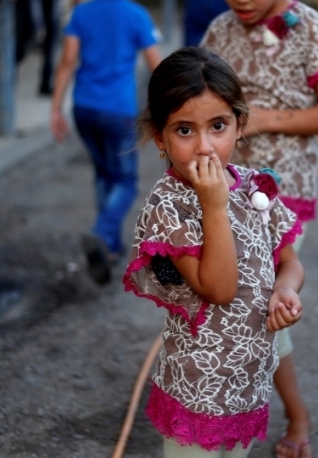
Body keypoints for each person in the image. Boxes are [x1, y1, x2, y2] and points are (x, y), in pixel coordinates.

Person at [201, 0, 318, 458]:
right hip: (224, 191)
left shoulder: (310, 28)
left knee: (258, 305)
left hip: (282, 193)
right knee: (245, 307)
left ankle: (277, 417)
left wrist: (267, 119)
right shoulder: (218, 31)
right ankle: (280, 413)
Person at [123, 47, 305, 457]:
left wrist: (286, 291)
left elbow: (289, 260)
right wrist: (214, 205)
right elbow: (219, 289)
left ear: (240, 126)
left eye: (218, 126)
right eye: (185, 130)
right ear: (160, 138)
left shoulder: (257, 187)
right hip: (198, 385)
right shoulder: (170, 205)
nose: (204, 147)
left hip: (249, 377)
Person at [50, 0, 161, 285]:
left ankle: (109, 247)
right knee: (126, 181)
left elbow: (68, 61)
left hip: (84, 108)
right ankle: (102, 230)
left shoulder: (81, 13)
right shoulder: (137, 16)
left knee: (103, 173)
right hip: (119, 112)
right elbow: (156, 65)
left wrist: (56, 108)